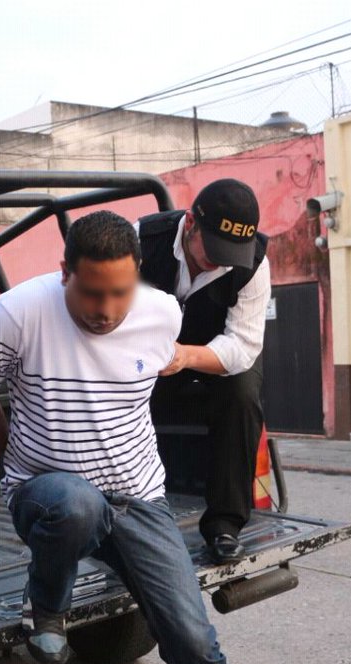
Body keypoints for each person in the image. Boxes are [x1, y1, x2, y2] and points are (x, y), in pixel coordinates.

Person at [0, 211, 251, 664]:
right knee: (77, 503)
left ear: (137, 275)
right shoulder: (18, 312)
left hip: (139, 495)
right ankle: (47, 608)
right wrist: (5, 445)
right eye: (91, 291)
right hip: (46, 493)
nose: (106, 308)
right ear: (64, 272)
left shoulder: (163, 312)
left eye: (119, 291)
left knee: (196, 645)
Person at [136, 178, 272, 565]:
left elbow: (243, 346)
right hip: (144, 356)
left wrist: (185, 357)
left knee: (244, 394)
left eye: (232, 253)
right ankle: (122, 513)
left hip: (210, 357)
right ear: (191, 223)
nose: (222, 260)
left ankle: (225, 525)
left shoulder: (255, 263)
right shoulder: (141, 240)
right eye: (214, 249)